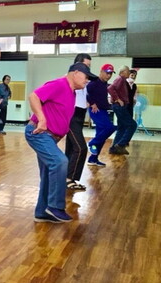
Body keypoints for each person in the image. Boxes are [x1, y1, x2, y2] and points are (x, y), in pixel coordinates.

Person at [25, 62, 97, 224]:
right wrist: (42, 119)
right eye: (86, 77)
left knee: (48, 174)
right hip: (38, 133)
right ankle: (55, 206)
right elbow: (34, 96)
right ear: (76, 73)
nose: (87, 81)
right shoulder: (59, 84)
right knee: (60, 162)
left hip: (50, 137)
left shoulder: (71, 92)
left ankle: (41, 212)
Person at [65, 53, 92, 191]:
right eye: (86, 66)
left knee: (71, 148)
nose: (88, 69)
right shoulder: (68, 80)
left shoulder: (84, 80)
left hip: (80, 114)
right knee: (80, 147)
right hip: (71, 115)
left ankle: (66, 178)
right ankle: (69, 178)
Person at [87, 64, 117, 167]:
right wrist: (92, 103)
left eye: (111, 74)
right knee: (110, 128)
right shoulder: (94, 82)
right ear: (101, 71)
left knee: (101, 135)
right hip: (96, 111)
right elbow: (86, 93)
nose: (109, 75)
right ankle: (91, 143)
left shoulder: (105, 84)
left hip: (103, 110)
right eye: (107, 73)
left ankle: (93, 159)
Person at [108, 66, 136, 155]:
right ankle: (120, 145)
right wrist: (117, 99)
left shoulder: (123, 80)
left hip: (120, 107)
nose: (129, 73)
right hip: (119, 106)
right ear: (123, 72)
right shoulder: (120, 79)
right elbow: (110, 88)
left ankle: (113, 149)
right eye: (128, 71)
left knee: (122, 127)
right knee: (132, 125)